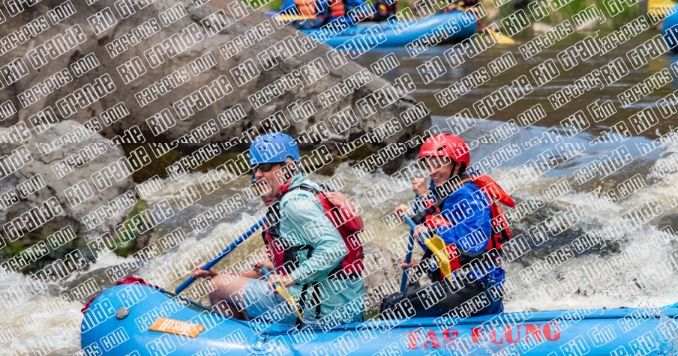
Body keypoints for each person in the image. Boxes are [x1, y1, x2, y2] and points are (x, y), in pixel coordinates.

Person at [190, 133, 366, 326]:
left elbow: (334, 249)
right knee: (223, 279)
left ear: (289, 166)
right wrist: (219, 273)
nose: (257, 175)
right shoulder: (311, 189)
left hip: (320, 312)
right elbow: (303, 259)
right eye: (255, 168)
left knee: (218, 287)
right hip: (343, 307)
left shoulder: (293, 203)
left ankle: (243, 346)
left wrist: (289, 278)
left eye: (265, 167)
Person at [381, 134, 515, 319]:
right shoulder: (450, 192)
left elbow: (474, 242)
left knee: (393, 307)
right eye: (428, 165)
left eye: (438, 164)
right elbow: (448, 246)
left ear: (457, 165)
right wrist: (422, 260)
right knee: (397, 299)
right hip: (465, 287)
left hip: (475, 288)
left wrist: (431, 230)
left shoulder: (468, 195)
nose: (432, 171)